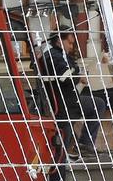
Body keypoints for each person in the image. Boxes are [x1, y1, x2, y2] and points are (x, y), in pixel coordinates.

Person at [37, 31, 107, 159]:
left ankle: (83, 144)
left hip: (66, 102)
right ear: (59, 40)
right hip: (65, 105)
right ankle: (84, 144)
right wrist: (79, 77)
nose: (71, 46)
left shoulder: (56, 55)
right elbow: (65, 76)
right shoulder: (54, 57)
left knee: (97, 104)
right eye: (69, 43)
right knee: (98, 104)